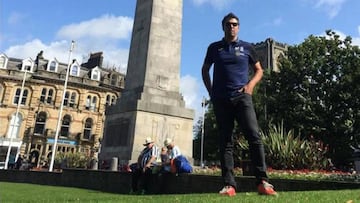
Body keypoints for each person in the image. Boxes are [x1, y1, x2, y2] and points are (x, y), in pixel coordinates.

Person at [201, 12, 277, 196]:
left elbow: (259, 70)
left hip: (242, 97)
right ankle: (229, 185)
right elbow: (205, 70)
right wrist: (212, 92)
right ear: (223, 27)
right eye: (228, 24)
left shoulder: (247, 47)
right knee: (225, 141)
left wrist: (250, 86)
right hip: (221, 99)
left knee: (254, 136)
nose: (232, 27)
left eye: (235, 24)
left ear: (239, 27)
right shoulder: (214, 48)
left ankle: (262, 182)